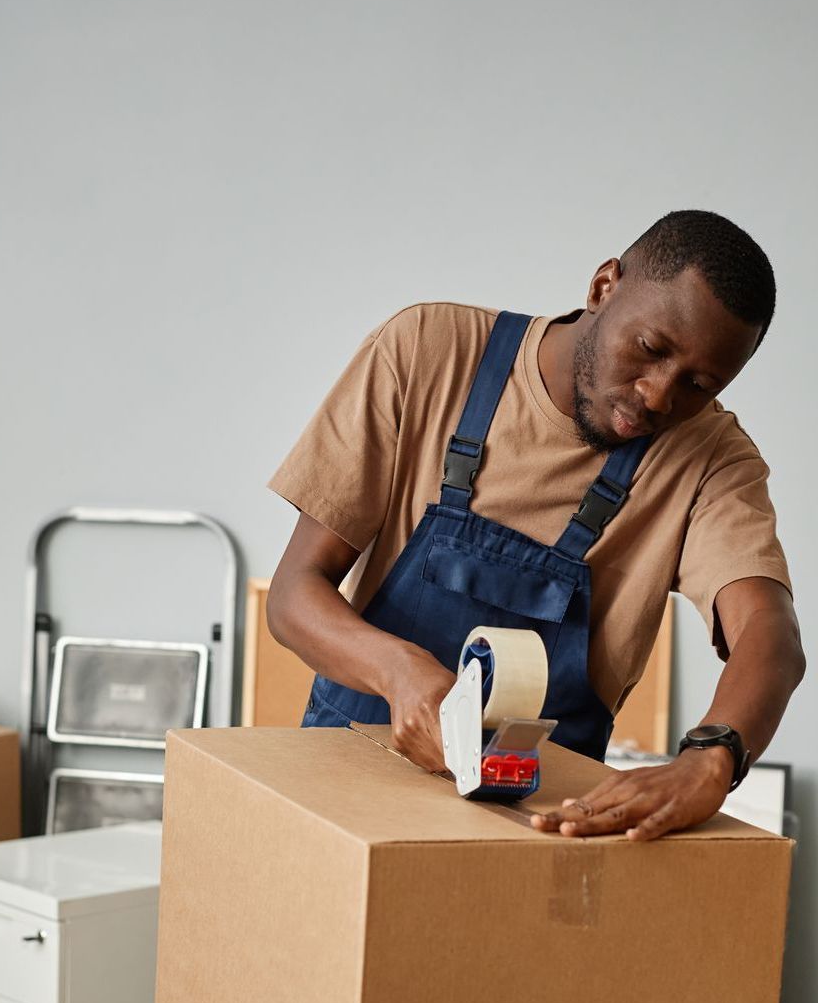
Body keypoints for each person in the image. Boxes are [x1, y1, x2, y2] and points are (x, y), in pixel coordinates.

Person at [266, 210, 805, 840]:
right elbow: (293, 596)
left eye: (698, 383)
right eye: (651, 350)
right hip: (343, 800)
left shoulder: (711, 458)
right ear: (604, 285)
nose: (659, 396)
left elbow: (771, 635)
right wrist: (398, 674)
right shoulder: (429, 350)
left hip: (534, 831)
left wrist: (713, 757)